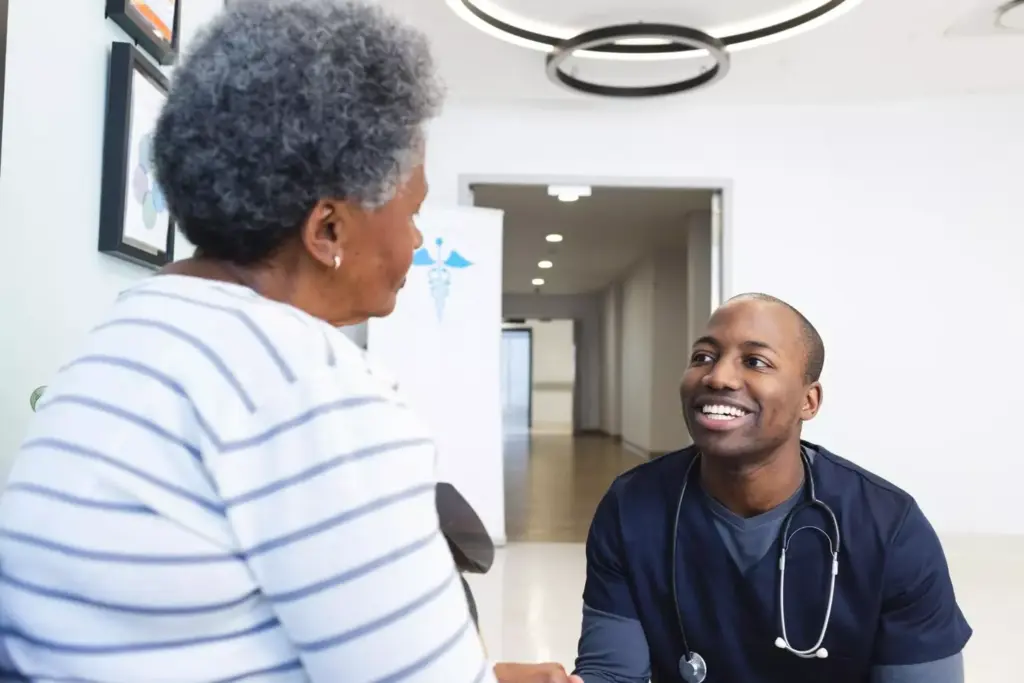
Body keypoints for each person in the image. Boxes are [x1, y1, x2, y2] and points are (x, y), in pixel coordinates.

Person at [0, 2, 578, 682]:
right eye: (411, 211)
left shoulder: (127, 335)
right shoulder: (313, 388)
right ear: (328, 229)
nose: (418, 243)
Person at [573, 293, 971, 683]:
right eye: (703, 357)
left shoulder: (889, 528)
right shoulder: (632, 506)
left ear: (808, 402)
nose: (717, 376)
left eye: (755, 362)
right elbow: (612, 671)